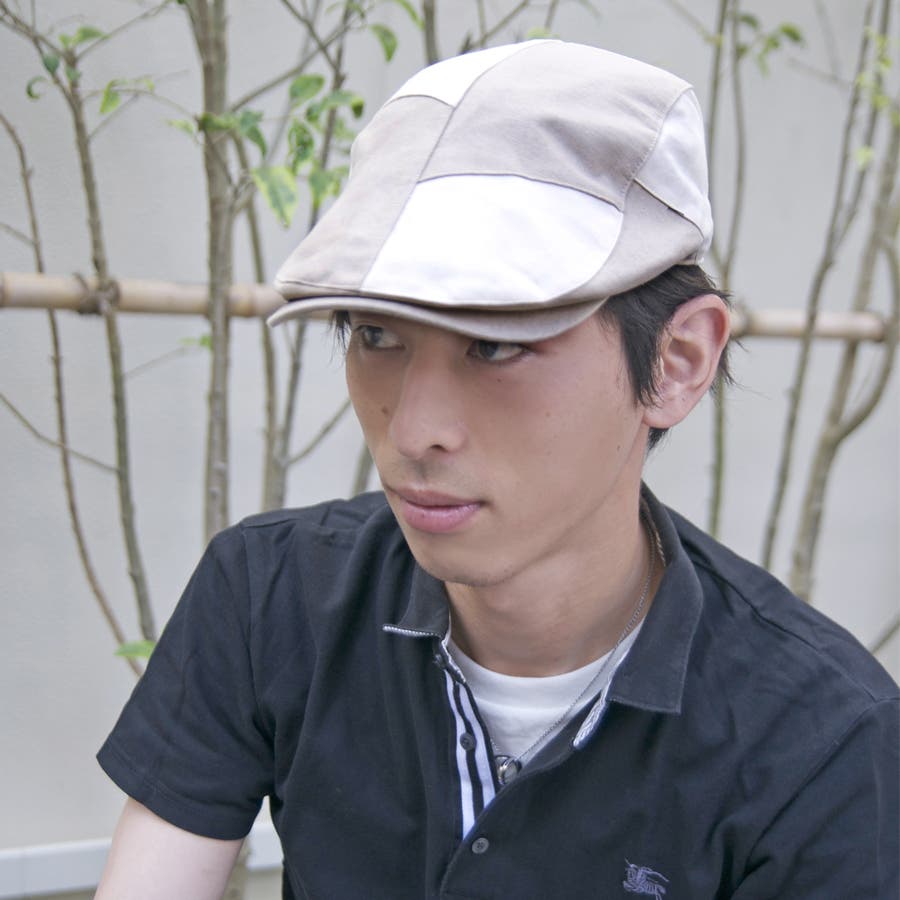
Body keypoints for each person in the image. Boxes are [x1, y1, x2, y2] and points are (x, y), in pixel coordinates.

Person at [95, 40, 898, 899]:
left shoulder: (822, 740)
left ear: (676, 362)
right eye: (376, 335)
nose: (414, 429)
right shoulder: (272, 595)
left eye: (496, 345)